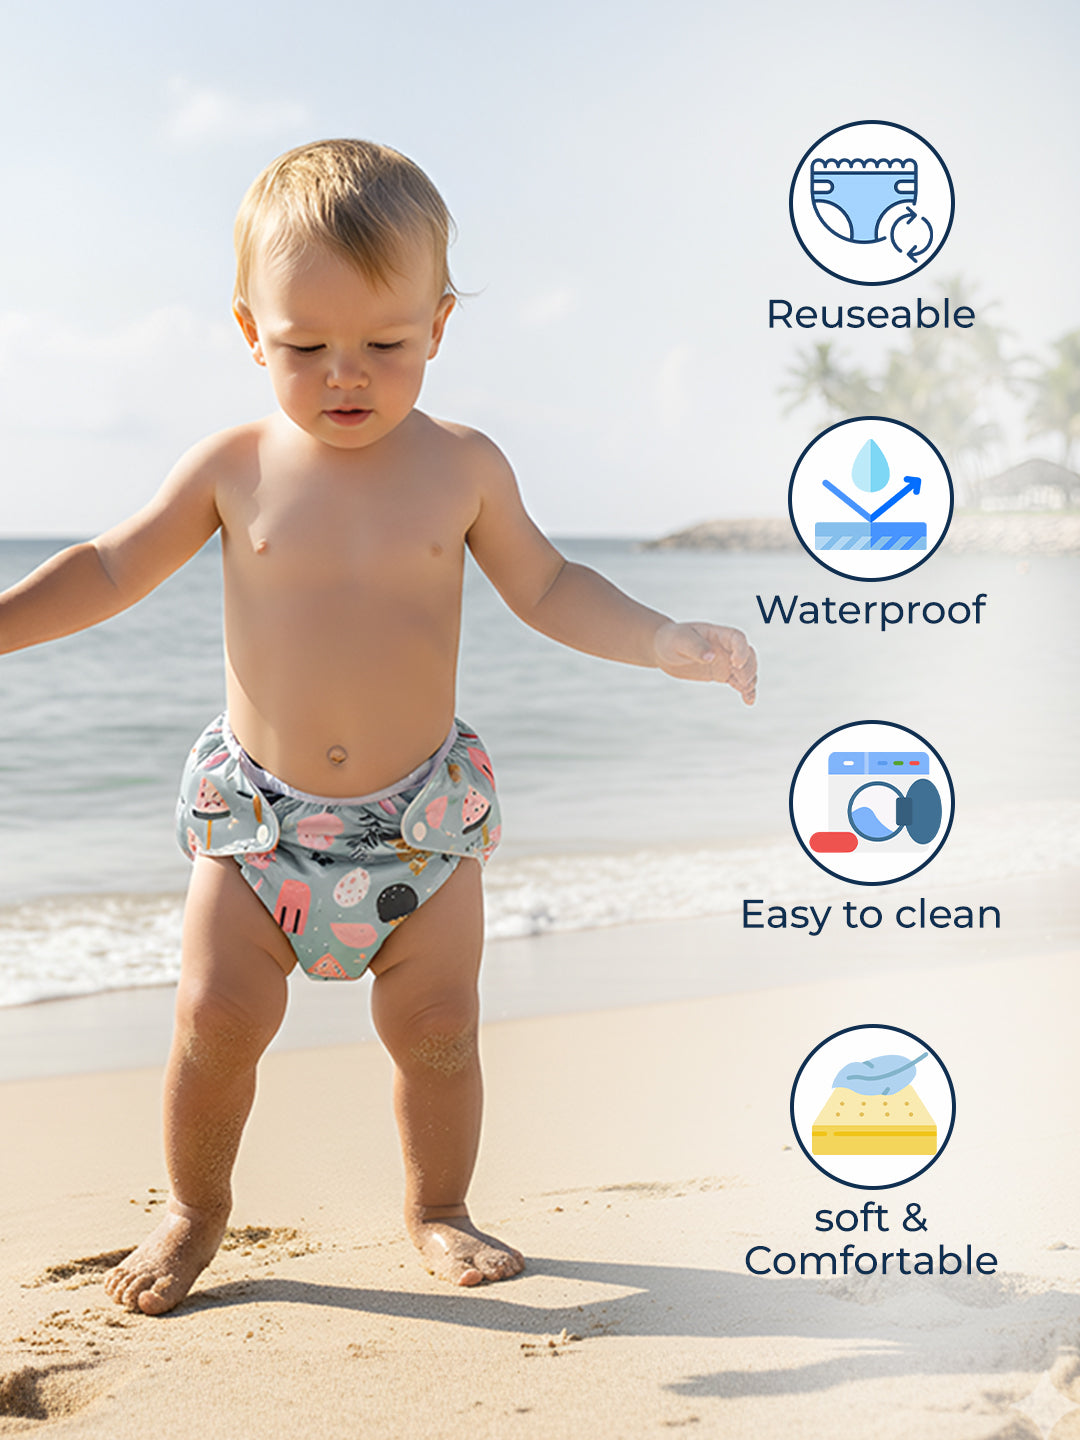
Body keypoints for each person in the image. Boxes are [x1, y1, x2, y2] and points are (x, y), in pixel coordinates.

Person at [0, 139, 757, 1315]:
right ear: (250, 331)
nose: (344, 374)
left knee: (440, 1029)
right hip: (262, 824)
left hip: (420, 823)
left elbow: (551, 588)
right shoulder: (234, 466)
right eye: (304, 347)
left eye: (385, 345)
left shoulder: (461, 468)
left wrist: (663, 638)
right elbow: (107, 567)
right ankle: (195, 1211)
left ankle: (438, 1206)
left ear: (440, 324)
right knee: (214, 1022)